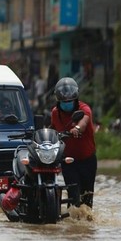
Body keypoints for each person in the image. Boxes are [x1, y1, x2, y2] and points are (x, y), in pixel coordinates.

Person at [50, 77, 97, 209]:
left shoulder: (84, 109)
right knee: (73, 194)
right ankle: (74, 224)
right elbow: (52, 129)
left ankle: (86, 224)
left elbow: (84, 121)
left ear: (75, 99)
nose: (67, 104)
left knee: (87, 196)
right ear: (58, 101)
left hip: (87, 160)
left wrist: (76, 128)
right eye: (64, 102)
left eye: (70, 101)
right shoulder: (55, 113)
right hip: (68, 161)